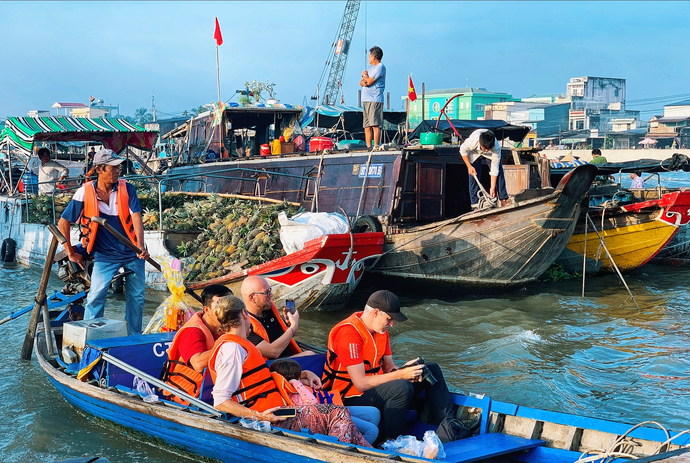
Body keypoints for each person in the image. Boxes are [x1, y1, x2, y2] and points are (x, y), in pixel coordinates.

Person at [208, 296, 372, 447]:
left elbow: (256, 379)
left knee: (343, 417)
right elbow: (221, 401)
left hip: (279, 409)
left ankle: (372, 453)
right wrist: (260, 416)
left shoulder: (238, 345)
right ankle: (337, 454)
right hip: (270, 416)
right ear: (244, 314)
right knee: (337, 412)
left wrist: (303, 375)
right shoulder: (232, 349)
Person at [322, 290, 455, 444]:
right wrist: (401, 375)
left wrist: (407, 369)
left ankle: (450, 427)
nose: (391, 324)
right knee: (402, 387)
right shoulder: (349, 334)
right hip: (350, 397)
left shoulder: (380, 331)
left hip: (374, 388)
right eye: (389, 319)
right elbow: (360, 383)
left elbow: (389, 367)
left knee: (431, 368)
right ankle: (390, 443)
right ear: (376, 313)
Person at [58, 149, 149, 336]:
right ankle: (90, 338)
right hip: (105, 255)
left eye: (118, 168)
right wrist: (70, 252)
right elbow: (63, 222)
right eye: (112, 168)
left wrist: (140, 245)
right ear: (99, 169)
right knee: (96, 296)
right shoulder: (85, 192)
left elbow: (137, 218)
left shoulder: (127, 188)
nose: (117, 172)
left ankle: (133, 336)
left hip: (132, 251)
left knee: (137, 296)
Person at [270, 359, 381, 445]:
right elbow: (311, 403)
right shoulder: (292, 392)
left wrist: (307, 375)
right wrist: (297, 383)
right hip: (326, 417)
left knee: (374, 413)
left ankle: (357, 439)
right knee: (372, 430)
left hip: (332, 406)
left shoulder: (297, 384)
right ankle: (357, 450)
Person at [161, 284, 232, 404]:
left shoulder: (230, 325)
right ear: (207, 309)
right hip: (191, 396)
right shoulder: (192, 331)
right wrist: (231, 344)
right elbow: (198, 363)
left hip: (218, 390)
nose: (228, 310)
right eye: (221, 305)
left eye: (231, 304)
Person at [241, 275, 313, 359]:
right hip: (273, 367)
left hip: (289, 359)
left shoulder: (268, 309)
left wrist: (288, 325)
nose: (271, 295)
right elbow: (273, 352)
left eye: (270, 290)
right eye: (266, 292)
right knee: (310, 354)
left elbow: (287, 336)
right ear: (252, 298)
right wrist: (293, 327)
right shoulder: (244, 325)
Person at [460, 129, 509, 208]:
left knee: (499, 172)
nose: (486, 150)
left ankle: (503, 199)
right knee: (473, 176)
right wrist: (469, 166)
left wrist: (492, 188)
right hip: (475, 153)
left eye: (488, 148)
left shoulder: (496, 148)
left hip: (490, 155)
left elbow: (494, 169)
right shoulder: (472, 142)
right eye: (485, 148)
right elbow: (462, 150)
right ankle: (475, 205)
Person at [360, 46, 386, 150]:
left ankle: (376, 146)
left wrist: (365, 76)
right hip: (366, 99)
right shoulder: (370, 68)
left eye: (370, 56)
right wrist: (365, 78)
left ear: (374, 57)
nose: (368, 58)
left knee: (375, 124)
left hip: (375, 99)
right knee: (367, 126)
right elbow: (362, 83)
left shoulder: (380, 67)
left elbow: (369, 82)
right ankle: (368, 147)